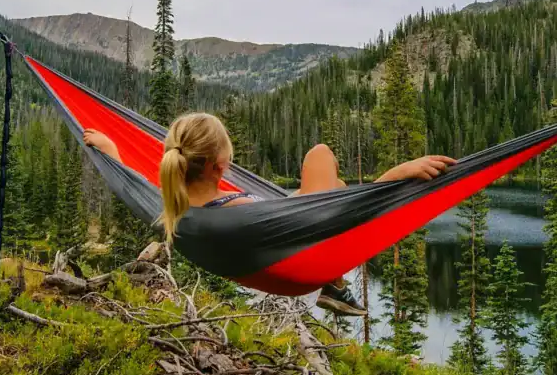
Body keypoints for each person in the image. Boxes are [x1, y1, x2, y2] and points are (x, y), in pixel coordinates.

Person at [83, 112, 456, 317]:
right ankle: (335, 283)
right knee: (320, 154)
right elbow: (337, 219)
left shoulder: (170, 207)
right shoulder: (237, 213)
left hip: (272, 245)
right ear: (219, 165)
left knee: (335, 183)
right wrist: (394, 177)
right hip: (299, 265)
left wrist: (112, 151)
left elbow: (133, 184)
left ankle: (337, 285)